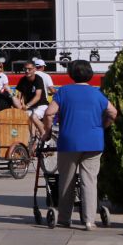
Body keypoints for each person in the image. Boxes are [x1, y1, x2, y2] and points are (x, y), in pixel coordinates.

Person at [42, 60, 118, 231]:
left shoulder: (64, 91)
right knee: (89, 181)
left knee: (66, 179)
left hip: (69, 142)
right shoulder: (97, 93)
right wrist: (103, 126)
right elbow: (113, 112)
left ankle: (64, 218)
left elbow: (49, 113)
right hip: (94, 142)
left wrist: (47, 132)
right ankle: (89, 221)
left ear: (71, 74)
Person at [15, 63, 49, 137]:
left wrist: (27, 105)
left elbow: (38, 96)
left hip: (41, 105)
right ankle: (33, 138)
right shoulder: (22, 80)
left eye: (29, 69)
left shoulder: (38, 79)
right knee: (24, 118)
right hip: (30, 107)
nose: (27, 71)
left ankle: (45, 135)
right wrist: (19, 106)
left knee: (33, 117)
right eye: (25, 69)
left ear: (34, 69)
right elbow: (19, 96)